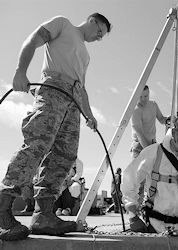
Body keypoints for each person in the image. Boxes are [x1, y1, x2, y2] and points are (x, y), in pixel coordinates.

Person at [0, 13, 111, 241]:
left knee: (65, 155)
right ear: (93, 21)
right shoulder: (63, 24)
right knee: (37, 144)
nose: (99, 37)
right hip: (53, 90)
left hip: (73, 101)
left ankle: (44, 215)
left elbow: (82, 88)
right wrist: (21, 71)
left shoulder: (86, 55)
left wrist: (89, 115)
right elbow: (33, 39)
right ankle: (2, 211)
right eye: (100, 32)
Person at [131, 85, 169, 158]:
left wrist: (168, 119)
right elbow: (139, 134)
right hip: (139, 147)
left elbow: (161, 119)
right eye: (140, 97)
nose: (143, 99)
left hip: (153, 144)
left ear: (149, 93)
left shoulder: (153, 105)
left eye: (145, 96)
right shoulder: (136, 110)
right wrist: (149, 151)